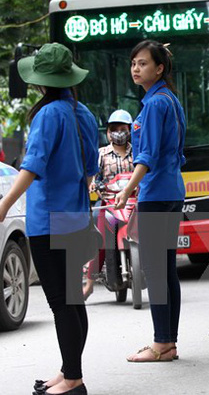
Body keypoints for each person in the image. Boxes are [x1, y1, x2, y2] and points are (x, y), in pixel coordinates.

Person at [0, 43, 97, 395]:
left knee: (62, 303)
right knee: (72, 300)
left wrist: (4, 205)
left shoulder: (48, 115)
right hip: (77, 217)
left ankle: (73, 380)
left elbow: (32, 167)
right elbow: (91, 170)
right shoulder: (83, 113)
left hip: (49, 220)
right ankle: (68, 370)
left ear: (40, 81)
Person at [115, 40, 187, 361]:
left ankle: (161, 344)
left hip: (157, 194)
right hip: (171, 191)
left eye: (143, 63)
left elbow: (148, 155)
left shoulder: (156, 104)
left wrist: (128, 189)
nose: (136, 68)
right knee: (166, 269)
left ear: (159, 68)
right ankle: (167, 342)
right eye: (133, 63)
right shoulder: (168, 100)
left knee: (156, 270)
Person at [83, 109, 133, 300]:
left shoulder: (137, 153)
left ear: (130, 130)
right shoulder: (101, 154)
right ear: (108, 132)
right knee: (102, 242)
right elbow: (94, 175)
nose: (119, 132)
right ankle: (89, 284)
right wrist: (94, 183)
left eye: (122, 128)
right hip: (109, 204)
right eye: (114, 129)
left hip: (133, 202)